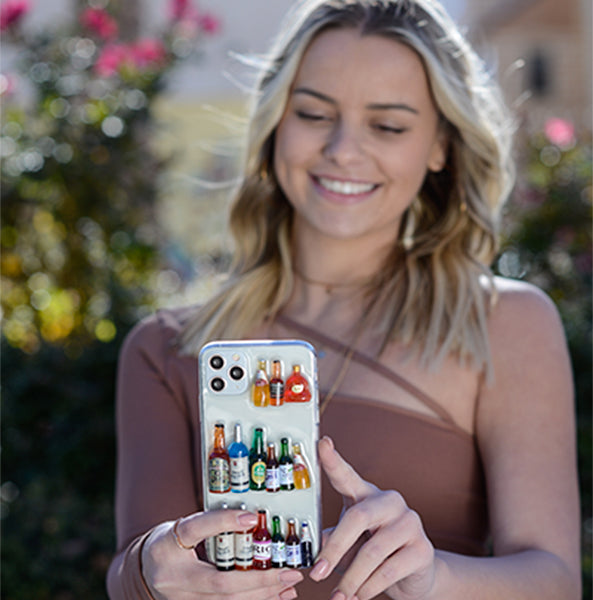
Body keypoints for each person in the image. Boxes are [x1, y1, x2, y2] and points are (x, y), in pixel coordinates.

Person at [106, 0, 581, 598]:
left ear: (440, 145)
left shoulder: (505, 323)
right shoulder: (166, 348)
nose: (343, 149)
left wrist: (432, 576)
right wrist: (149, 570)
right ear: (276, 123)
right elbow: (131, 572)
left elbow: (556, 581)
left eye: (388, 126)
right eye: (313, 114)